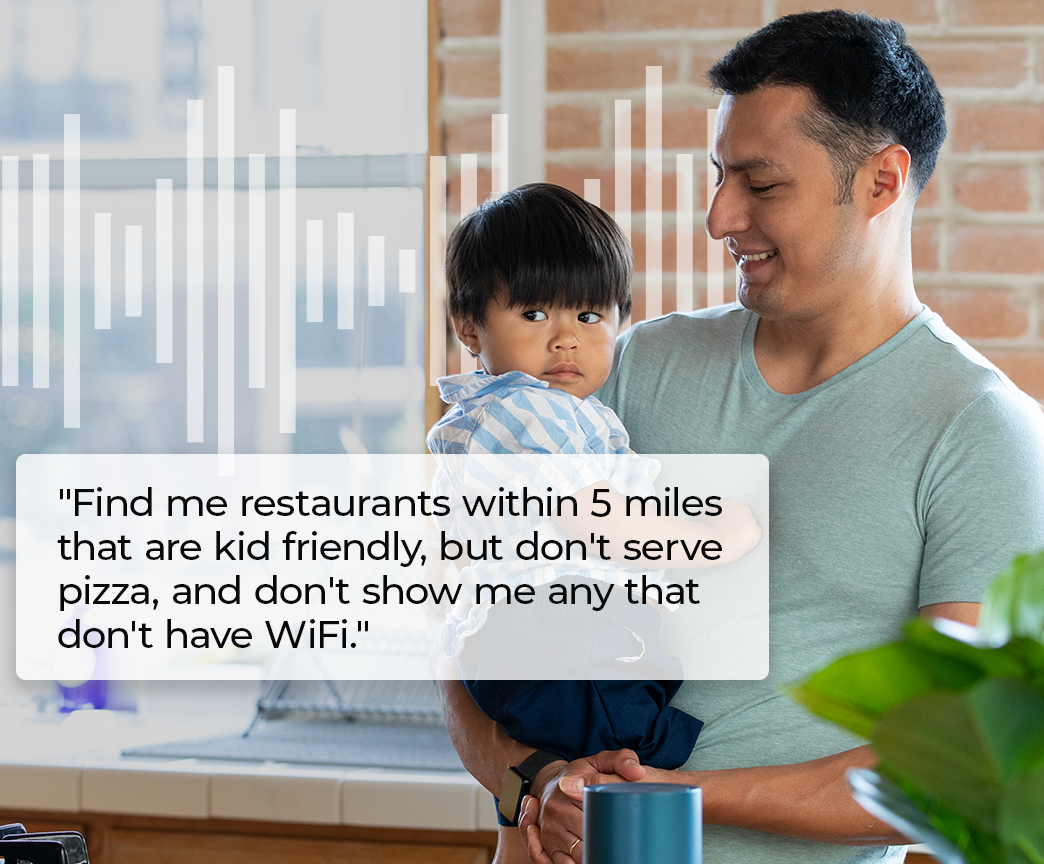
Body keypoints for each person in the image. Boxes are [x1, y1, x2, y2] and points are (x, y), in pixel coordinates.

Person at [438, 10, 1044, 864]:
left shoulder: (982, 430)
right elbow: (464, 632)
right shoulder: (634, 367)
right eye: (720, 177)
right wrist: (530, 782)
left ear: (881, 180)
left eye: (760, 185)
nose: (720, 216)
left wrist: (660, 801)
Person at [427, 182, 761, 837]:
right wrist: (718, 533)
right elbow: (599, 521)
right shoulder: (526, 408)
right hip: (554, 648)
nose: (565, 341)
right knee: (637, 747)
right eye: (533, 315)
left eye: (588, 316)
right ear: (470, 326)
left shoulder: (535, 413)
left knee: (579, 783)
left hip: (527, 651)